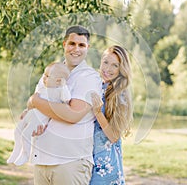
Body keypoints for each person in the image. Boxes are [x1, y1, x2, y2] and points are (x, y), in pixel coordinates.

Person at [27, 25, 102, 184]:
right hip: (42, 159)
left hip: (70, 162)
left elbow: (72, 114)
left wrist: (36, 101)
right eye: (72, 43)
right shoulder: (51, 70)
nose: (76, 49)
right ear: (64, 45)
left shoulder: (89, 77)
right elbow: (31, 104)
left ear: (87, 47)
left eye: (81, 45)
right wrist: (34, 105)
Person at [7, 62, 71, 166]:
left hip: (40, 117)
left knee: (26, 134)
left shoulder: (60, 90)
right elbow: (34, 99)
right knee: (17, 131)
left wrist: (63, 86)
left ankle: (25, 154)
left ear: (58, 80)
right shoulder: (43, 87)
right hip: (32, 112)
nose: (44, 78)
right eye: (44, 75)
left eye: (47, 76)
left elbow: (67, 99)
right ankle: (16, 151)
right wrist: (27, 109)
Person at [89, 45, 133, 185]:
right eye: (106, 62)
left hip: (105, 164)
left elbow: (114, 136)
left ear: (121, 69)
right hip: (88, 157)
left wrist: (97, 113)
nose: (108, 69)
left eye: (115, 65)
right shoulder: (96, 85)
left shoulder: (120, 94)